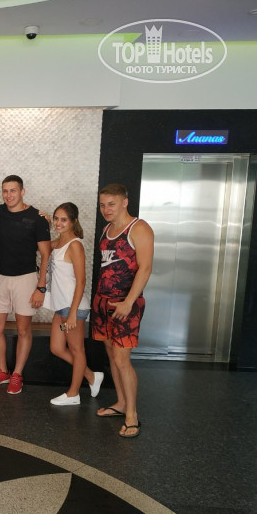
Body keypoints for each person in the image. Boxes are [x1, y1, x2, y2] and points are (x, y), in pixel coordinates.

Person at [91, 184, 154, 438]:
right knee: (111, 354)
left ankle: (132, 415)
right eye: (102, 204)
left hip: (125, 305)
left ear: (125, 202)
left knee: (121, 360)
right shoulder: (106, 230)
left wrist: (129, 302)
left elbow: (145, 268)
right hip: (103, 303)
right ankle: (121, 403)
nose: (106, 209)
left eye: (111, 204)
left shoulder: (139, 228)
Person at [0, 175, 51, 394]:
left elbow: (45, 254)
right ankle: (3, 371)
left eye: (13, 190)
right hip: (0, 278)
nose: (8, 195)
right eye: (5, 191)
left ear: (22, 192)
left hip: (26, 278)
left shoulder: (37, 218)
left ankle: (17, 374)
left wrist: (41, 287)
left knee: (23, 329)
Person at [43, 202, 104, 405]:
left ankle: (73, 394)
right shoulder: (59, 242)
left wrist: (72, 314)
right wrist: (43, 223)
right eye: (56, 219)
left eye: (64, 220)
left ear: (73, 222)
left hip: (73, 309)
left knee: (77, 350)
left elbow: (82, 281)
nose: (58, 223)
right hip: (61, 307)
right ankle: (92, 376)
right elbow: (42, 245)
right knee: (57, 347)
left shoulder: (75, 245)